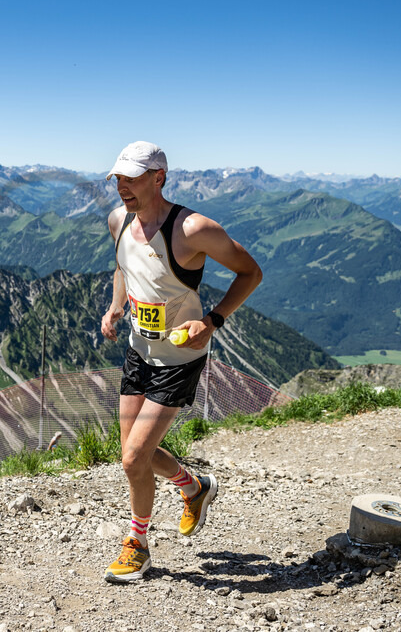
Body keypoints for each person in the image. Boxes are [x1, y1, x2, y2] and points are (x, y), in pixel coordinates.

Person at [99, 141, 262, 583]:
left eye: (132, 178)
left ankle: (138, 546)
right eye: (118, 179)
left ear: (159, 177)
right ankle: (194, 487)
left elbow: (251, 272)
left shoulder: (192, 229)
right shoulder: (119, 221)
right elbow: (124, 268)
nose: (123, 188)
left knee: (134, 459)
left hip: (179, 358)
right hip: (140, 350)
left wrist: (212, 320)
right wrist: (116, 307)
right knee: (135, 454)